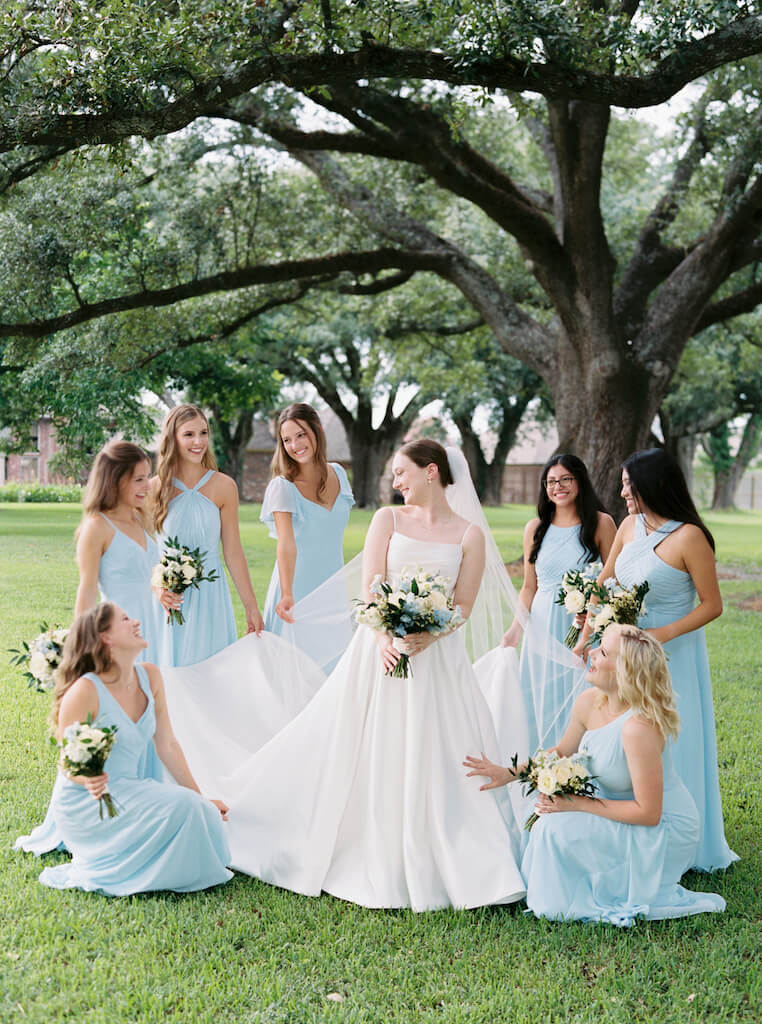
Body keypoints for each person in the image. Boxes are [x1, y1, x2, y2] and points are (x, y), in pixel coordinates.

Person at [173, 440, 526, 911]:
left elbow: (462, 604)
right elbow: (371, 585)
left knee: (438, 747)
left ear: (431, 472)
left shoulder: (469, 536)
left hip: (438, 662)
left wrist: (428, 635)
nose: (395, 482)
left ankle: (448, 850)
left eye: (402, 473)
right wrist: (386, 638)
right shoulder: (388, 520)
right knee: (363, 744)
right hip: (377, 654)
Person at [465, 625, 726, 925]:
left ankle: (562, 900)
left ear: (623, 671)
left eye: (602, 652)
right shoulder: (590, 701)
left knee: (554, 830)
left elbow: (649, 812)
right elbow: (562, 751)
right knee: (536, 814)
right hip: (615, 807)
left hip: (662, 829)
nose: (590, 652)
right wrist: (507, 773)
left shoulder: (638, 728)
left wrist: (576, 804)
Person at [574, 448, 736, 872]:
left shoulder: (689, 537)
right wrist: (591, 617)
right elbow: (605, 582)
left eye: (630, 485)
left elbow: (712, 605)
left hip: (674, 653)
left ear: (653, 485)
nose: (623, 492)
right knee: (632, 736)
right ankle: (635, 830)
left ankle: (687, 838)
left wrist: (662, 632)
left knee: (674, 735)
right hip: (626, 654)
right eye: (624, 484)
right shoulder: (629, 526)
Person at [15, 603, 232, 896]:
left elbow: (167, 744)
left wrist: (202, 796)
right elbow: (68, 764)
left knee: (199, 811)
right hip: (87, 804)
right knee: (186, 809)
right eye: (126, 619)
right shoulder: (85, 691)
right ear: (106, 637)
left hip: (129, 788)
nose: (137, 622)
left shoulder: (150, 676)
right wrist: (88, 778)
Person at [502, 454, 616, 752]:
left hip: (583, 626)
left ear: (580, 481)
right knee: (539, 697)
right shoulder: (535, 528)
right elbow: (529, 587)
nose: (558, 486)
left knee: (582, 695)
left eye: (565, 479)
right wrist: (516, 629)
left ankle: (578, 766)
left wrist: (592, 616)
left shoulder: (601, 524)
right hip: (541, 625)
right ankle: (541, 768)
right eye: (551, 481)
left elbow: (614, 580)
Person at [150, 404, 263, 667]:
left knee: (212, 674)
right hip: (171, 599)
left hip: (211, 595)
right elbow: (142, 553)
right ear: (173, 438)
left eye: (203, 433)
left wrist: (250, 606)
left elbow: (233, 552)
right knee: (171, 677)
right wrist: (156, 588)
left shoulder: (224, 486)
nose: (198, 441)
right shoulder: (154, 489)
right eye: (189, 434)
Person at [260, 403, 354, 667]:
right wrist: (287, 594)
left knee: (334, 668)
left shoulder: (338, 473)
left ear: (317, 431)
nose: (295, 445)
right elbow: (286, 544)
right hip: (296, 589)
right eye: (287, 439)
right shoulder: (282, 487)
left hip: (333, 588)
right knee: (296, 672)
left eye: (301, 434)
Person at [74, 440, 168, 665]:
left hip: (157, 630)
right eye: (138, 480)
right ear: (114, 481)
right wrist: (82, 648)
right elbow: (86, 592)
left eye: (147, 477)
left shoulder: (141, 518)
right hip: (122, 634)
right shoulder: (97, 527)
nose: (147, 486)